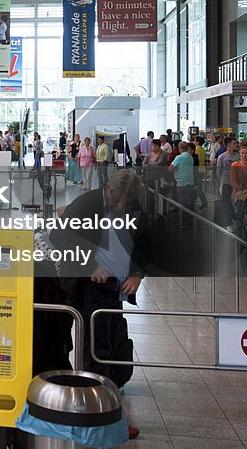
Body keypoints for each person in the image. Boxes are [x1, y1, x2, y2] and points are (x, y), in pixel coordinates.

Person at [51, 170, 149, 442]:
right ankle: (96, 418)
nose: (121, 207)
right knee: (94, 352)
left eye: (126, 204)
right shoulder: (86, 205)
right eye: (118, 201)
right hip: (89, 288)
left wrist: (137, 274)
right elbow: (58, 238)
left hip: (115, 289)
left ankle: (105, 411)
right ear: (108, 188)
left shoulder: (131, 203)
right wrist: (90, 265)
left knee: (111, 346)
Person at [169, 141, 196, 228]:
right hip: (190, 182)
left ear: (179, 148)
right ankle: (188, 222)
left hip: (181, 183)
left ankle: (184, 223)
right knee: (188, 202)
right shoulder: (190, 156)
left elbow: (170, 169)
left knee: (182, 204)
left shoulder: (179, 157)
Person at [216, 138, 239, 229]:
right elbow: (219, 170)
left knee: (237, 202)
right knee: (226, 203)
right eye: (234, 143)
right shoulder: (222, 157)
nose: (236, 145)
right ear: (228, 145)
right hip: (226, 182)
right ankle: (228, 223)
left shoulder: (238, 156)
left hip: (237, 183)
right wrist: (221, 181)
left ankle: (237, 219)